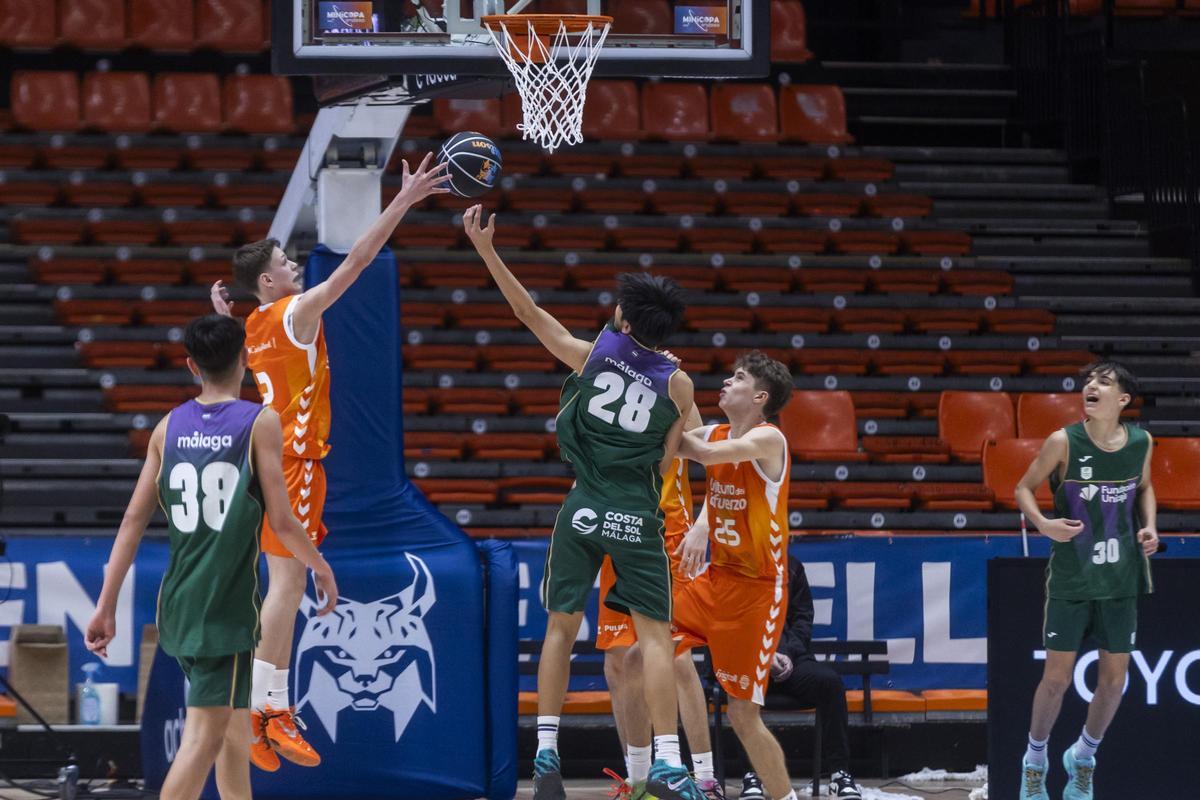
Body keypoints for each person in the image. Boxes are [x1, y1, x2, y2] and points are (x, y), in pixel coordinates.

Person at [210, 153, 448, 770]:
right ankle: (272, 711)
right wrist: (403, 200)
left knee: (277, 588)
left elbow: (238, 373)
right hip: (294, 463)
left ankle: (265, 710)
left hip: (260, 464)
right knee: (288, 587)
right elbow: (360, 262)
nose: (293, 266)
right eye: (285, 264)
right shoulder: (293, 312)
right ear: (267, 282)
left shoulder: (253, 325)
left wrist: (222, 319)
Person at [462, 205, 704, 800]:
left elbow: (528, 313)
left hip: (582, 509)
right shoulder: (677, 383)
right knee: (655, 640)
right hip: (635, 515)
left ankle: (546, 752)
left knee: (559, 631)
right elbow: (683, 453)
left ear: (622, 316)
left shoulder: (592, 355)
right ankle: (670, 765)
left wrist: (487, 249)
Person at [84, 314, 338, 800]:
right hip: (224, 608)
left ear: (190, 366)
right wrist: (319, 565)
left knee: (232, 733)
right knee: (203, 738)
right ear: (245, 359)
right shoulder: (259, 422)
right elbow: (283, 523)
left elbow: (133, 523)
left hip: (180, 605)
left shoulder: (167, 427)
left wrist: (105, 604)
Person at [1013, 361, 1158, 800]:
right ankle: (1034, 760)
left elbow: (1146, 488)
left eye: (1103, 382)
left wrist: (1149, 525)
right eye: (1088, 382)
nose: (1090, 387)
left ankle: (1083, 757)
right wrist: (1043, 523)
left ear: (1123, 400)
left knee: (1114, 681)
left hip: (1121, 576)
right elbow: (1023, 487)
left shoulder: (1141, 441)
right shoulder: (1063, 442)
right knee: (1055, 679)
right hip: (1073, 577)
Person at [674, 351, 799, 800]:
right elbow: (689, 427)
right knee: (647, 647)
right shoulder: (721, 431)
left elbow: (698, 449)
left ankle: (784, 797)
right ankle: (685, 770)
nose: (726, 382)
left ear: (759, 396)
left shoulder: (770, 440)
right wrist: (670, 377)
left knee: (743, 716)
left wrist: (658, 433)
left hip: (757, 591)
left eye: (738, 378)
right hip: (715, 578)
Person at [599, 411, 724, 800]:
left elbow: (710, 455)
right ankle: (637, 782)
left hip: (667, 533)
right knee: (618, 662)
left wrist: (705, 522)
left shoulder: (674, 385)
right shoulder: (604, 385)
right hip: (616, 529)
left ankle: (704, 779)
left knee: (676, 654)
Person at [739, 556, 862, 799]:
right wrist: (762, 656)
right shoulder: (736, 566)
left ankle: (838, 774)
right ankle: (752, 774)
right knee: (740, 687)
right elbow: (733, 622)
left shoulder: (792, 568)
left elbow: (802, 619)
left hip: (789, 660)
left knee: (829, 683)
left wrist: (786, 654)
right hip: (747, 661)